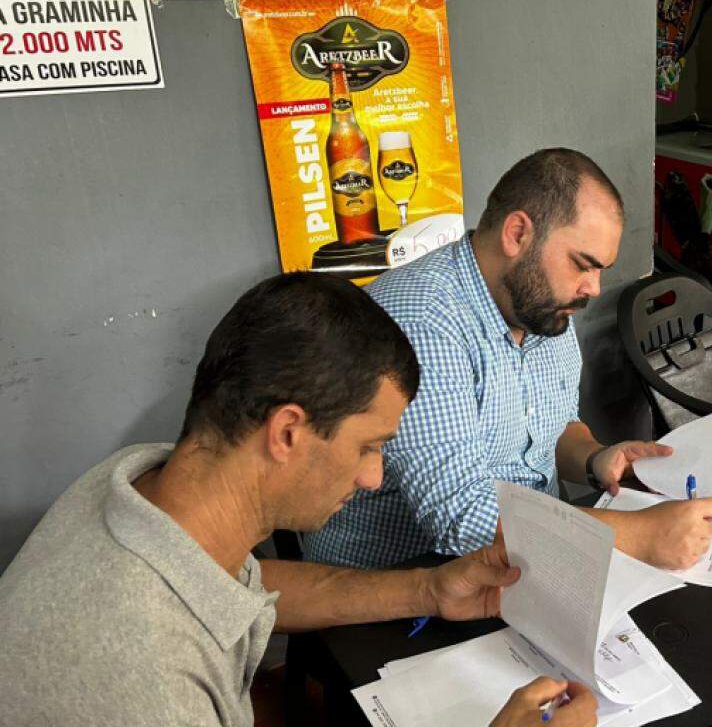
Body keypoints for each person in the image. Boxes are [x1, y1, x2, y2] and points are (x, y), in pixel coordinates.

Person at [0, 273, 599, 727]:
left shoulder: (144, 489)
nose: (373, 476)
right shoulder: (142, 678)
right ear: (287, 432)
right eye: (369, 447)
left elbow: (246, 586)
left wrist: (428, 590)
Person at [307, 148, 712, 570]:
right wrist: (639, 534)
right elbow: (463, 521)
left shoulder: (540, 304)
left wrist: (597, 460)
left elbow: (550, 430)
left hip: (526, 558)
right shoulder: (422, 320)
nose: (594, 288)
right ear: (518, 234)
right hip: (402, 582)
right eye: (583, 265)